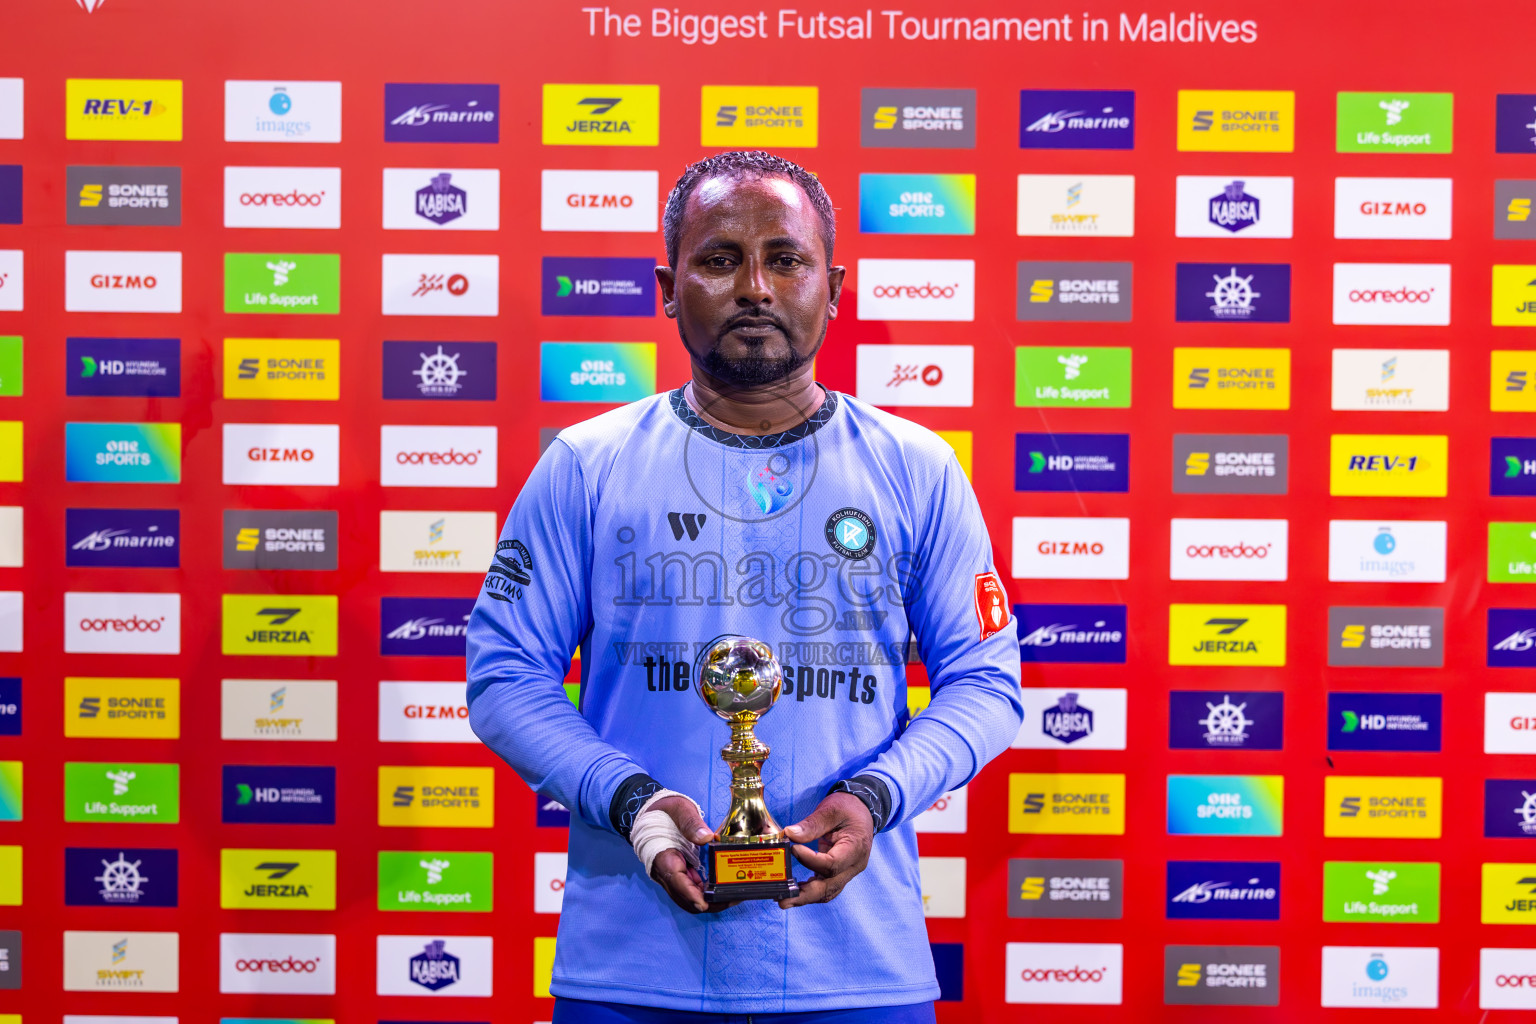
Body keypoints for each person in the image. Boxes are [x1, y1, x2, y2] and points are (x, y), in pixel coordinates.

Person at [466, 150, 1022, 1022]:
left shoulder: (919, 468)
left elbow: (986, 685)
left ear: (832, 286)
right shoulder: (586, 465)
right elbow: (505, 679)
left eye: (786, 259)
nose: (755, 286)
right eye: (720, 259)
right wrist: (635, 805)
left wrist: (876, 798)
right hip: (631, 969)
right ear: (667, 285)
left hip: (858, 972)